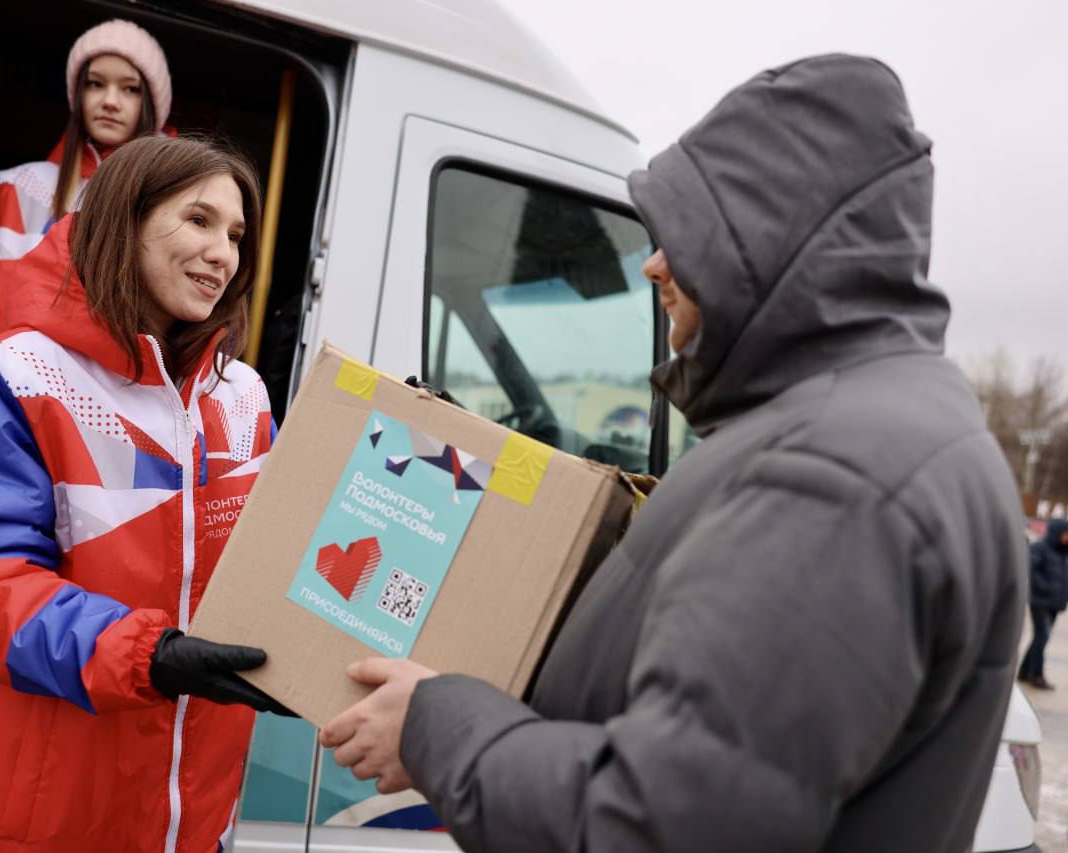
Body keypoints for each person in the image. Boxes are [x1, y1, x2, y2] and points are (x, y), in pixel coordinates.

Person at [319, 54, 1027, 852]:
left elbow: (662, 822)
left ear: (769, 240)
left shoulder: (839, 476)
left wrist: (437, 724)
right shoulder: (844, 428)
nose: (653, 263)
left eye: (688, 235)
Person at [0, 136, 286, 852]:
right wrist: (150, 654)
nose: (223, 253)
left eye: (237, 235)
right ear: (126, 217)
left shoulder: (244, 396)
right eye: (199, 221)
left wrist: (398, 448)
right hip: (37, 818)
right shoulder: (12, 376)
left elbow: (291, 558)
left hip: (188, 819)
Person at [0, 18, 173, 491]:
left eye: (129, 89)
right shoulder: (12, 186)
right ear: (74, 94)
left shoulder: (173, 207)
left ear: (152, 106)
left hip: (105, 446)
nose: (109, 100)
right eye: (95, 83)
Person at [1018, 519, 1068, 689]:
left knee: (1040, 638)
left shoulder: (1063, 553)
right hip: (1040, 601)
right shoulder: (1040, 548)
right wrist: (1044, 587)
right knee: (1042, 637)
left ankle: (1025, 671)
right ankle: (1036, 674)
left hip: (1054, 603)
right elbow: (1029, 569)